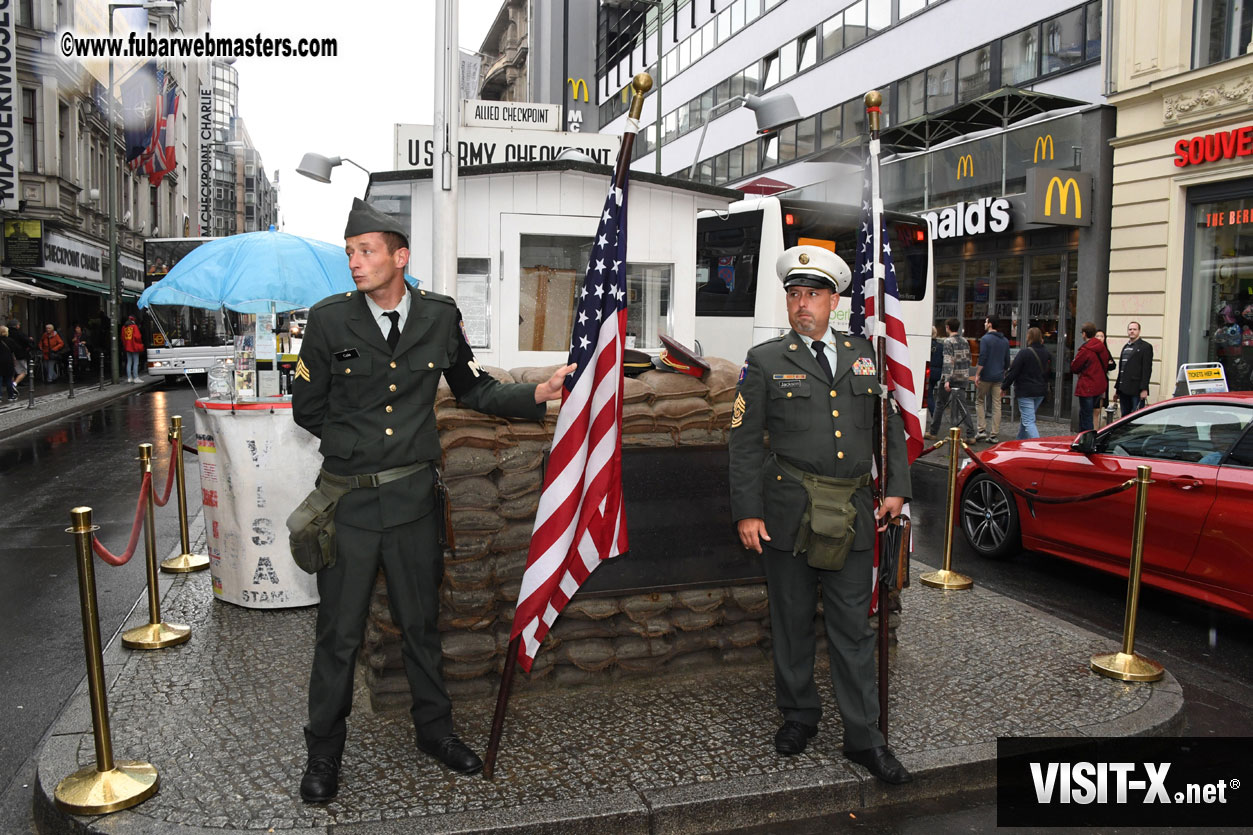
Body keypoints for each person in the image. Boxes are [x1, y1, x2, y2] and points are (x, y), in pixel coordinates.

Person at [290, 198, 573, 803]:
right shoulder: (328, 321)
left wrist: (536, 394)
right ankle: (322, 755)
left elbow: (472, 388)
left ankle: (435, 732)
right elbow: (307, 410)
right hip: (352, 505)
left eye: (366, 251)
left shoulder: (440, 316)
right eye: (350, 253)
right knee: (338, 635)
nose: (355, 263)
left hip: (416, 503)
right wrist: (364, 451)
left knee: (421, 625)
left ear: (400, 257)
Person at [728, 244, 912, 785]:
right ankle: (800, 715)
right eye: (793, 294)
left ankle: (864, 737)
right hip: (786, 512)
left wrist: (896, 487)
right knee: (791, 621)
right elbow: (742, 443)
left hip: (852, 511)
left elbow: (889, 426)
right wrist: (747, 512)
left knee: (853, 629)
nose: (801, 304)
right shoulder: (764, 360)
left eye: (812, 294)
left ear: (835, 300)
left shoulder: (865, 354)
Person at [925, 318, 975, 440]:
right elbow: (969, 359)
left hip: (951, 377)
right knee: (963, 406)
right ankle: (971, 434)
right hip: (962, 376)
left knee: (940, 404)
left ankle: (933, 432)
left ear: (947, 327)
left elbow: (948, 361)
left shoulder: (948, 342)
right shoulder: (965, 341)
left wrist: (946, 379)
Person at [1002, 327, 1051, 439]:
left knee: (1029, 421)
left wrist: (1004, 386)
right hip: (1040, 391)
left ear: (1029, 338)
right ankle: (1019, 442)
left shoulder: (1024, 353)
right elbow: (1049, 372)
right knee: (1027, 419)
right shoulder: (1046, 353)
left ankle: (1037, 446)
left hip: (1025, 391)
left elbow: (1014, 371)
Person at [1070, 322, 1113, 431]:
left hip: (1087, 386)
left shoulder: (1086, 350)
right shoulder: (1102, 348)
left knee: (1086, 416)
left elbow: (1074, 367)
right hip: (1099, 386)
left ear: (1084, 334)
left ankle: (1086, 440)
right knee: (1091, 413)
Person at [973, 315, 1010, 443]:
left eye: (986, 322)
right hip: (999, 376)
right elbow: (1007, 361)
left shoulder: (985, 339)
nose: (984, 323)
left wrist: (977, 374)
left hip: (986, 375)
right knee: (996, 404)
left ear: (989, 324)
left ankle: (981, 430)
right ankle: (994, 434)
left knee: (979, 401)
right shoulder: (1004, 340)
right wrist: (1003, 373)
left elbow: (982, 358)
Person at [1114, 321, 1153, 417]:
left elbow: (1147, 369)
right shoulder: (1125, 347)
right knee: (1124, 416)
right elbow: (1121, 369)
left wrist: (1144, 389)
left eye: (1134, 329)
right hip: (1124, 389)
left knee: (1137, 416)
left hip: (1136, 389)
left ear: (1139, 331)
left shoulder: (1145, 347)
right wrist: (1118, 390)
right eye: (1130, 329)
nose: (1132, 331)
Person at [6, 319, 34, 392]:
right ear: (16, 326)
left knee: (12, 372)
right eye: (18, 324)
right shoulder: (19, 333)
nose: (19, 326)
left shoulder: (7, 334)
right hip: (19, 355)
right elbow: (27, 341)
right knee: (23, 371)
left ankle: (11, 385)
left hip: (9, 355)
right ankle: (14, 384)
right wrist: (30, 340)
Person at [121, 315, 144, 382]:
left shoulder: (124, 327)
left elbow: (122, 337)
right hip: (134, 346)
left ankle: (129, 377)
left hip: (127, 346)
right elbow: (138, 337)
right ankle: (136, 377)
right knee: (136, 362)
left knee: (129, 362)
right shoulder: (134, 326)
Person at [927, 324, 943, 415]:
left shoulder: (926, 345)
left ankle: (935, 415)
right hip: (937, 373)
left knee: (928, 396)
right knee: (930, 393)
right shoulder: (940, 346)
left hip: (929, 372)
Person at [0, 326, 16, 400]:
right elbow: (15, 350)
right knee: (9, 379)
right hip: (8, 361)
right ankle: (11, 396)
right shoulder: (10, 340)